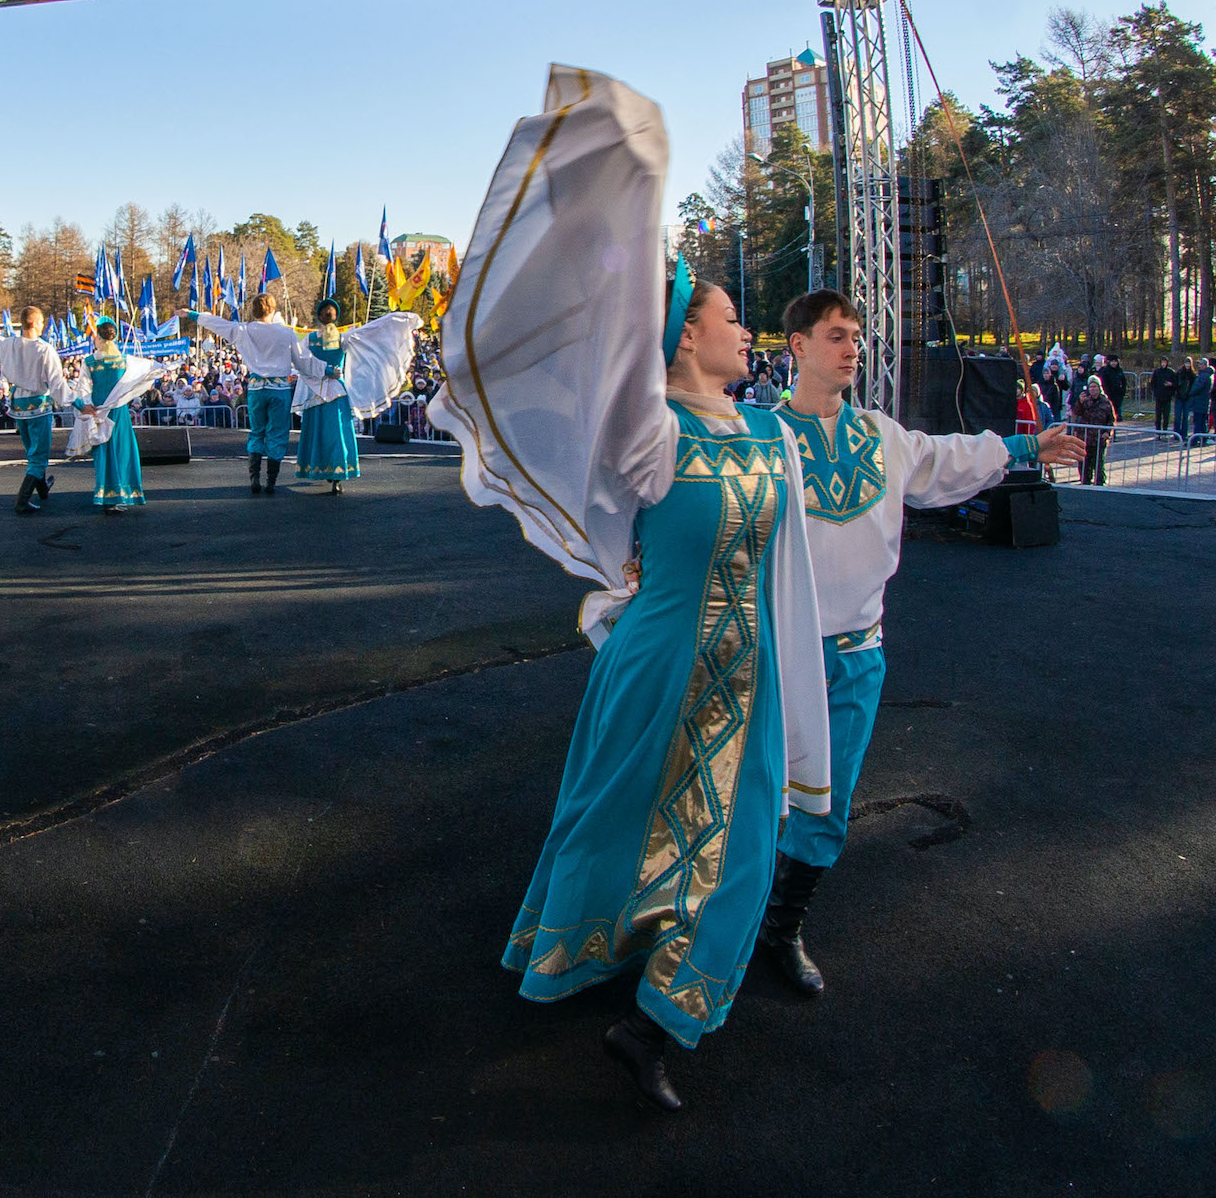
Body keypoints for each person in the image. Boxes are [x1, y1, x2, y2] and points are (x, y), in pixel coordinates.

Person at [429, 68, 830, 1114]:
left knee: (741, 845)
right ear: (684, 336)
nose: (748, 334)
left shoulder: (768, 432)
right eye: (731, 319)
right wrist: (637, 174)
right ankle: (609, 974)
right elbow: (612, 319)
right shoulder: (650, 438)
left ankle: (660, 1012)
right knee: (615, 823)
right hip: (660, 659)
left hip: (752, 674)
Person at [766, 291, 1081, 1001]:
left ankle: (781, 929)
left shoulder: (880, 434)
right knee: (754, 793)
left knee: (827, 799)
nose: (852, 348)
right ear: (797, 346)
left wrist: (1029, 444)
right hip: (775, 651)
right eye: (836, 335)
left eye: (856, 336)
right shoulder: (758, 435)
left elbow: (947, 459)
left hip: (854, 657)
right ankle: (725, 922)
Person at [184, 293, 326, 495]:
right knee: (277, 433)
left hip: (257, 388)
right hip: (279, 390)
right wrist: (327, 370)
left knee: (257, 431)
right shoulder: (285, 333)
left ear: (254, 311)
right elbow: (304, 361)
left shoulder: (244, 330)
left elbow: (218, 324)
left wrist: (192, 314)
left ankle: (254, 478)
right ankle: (271, 481)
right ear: (273, 309)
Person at [291, 301, 421, 494]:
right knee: (337, 434)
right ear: (336, 317)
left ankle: (320, 468)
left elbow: (301, 362)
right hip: (336, 392)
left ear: (319, 317)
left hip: (314, 393)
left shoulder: (310, 340)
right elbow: (372, 332)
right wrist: (398, 321)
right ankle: (337, 474)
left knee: (318, 432)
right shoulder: (343, 339)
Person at [0, 306, 76, 514]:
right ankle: (22, 500)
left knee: (33, 452)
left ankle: (42, 489)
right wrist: (75, 401)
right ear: (32, 323)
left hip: (18, 406)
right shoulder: (44, 349)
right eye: (40, 322)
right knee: (39, 455)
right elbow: (56, 383)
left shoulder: (9, 344)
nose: (42, 326)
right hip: (38, 406)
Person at [66, 319, 161, 511]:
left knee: (104, 451)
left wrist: (86, 405)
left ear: (99, 338)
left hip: (98, 410)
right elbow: (147, 372)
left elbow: (82, 387)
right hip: (118, 410)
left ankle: (107, 495)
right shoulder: (125, 360)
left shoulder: (90, 362)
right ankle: (124, 494)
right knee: (122, 449)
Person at [1072, 373, 1115, 484]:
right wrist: (1080, 403)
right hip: (1085, 438)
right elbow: (1076, 414)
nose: (1092, 389)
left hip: (1099, 439)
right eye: (1090, 387)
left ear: (1099, 388)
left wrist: (1107, 432)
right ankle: (1085, 482)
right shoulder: (1085, 401)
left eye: (1095, 386)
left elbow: (1111, 420)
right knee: (1084, 465)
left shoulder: (1106, 403)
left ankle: (1100, 485)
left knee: (1099, 465)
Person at [1151, 359, 1176, 436]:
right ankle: (1158, 431)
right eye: (1162, 362)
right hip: (1159, 396)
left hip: (1167, 396)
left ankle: (1165, 431)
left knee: (1166, 415)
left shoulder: (1171, 372)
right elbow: (1153, 383)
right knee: (1158, 415)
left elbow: (1175, 384)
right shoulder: (1157, 372)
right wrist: (1155, 392)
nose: (1163, 364)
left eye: (1165, 362)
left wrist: (1171, 384)